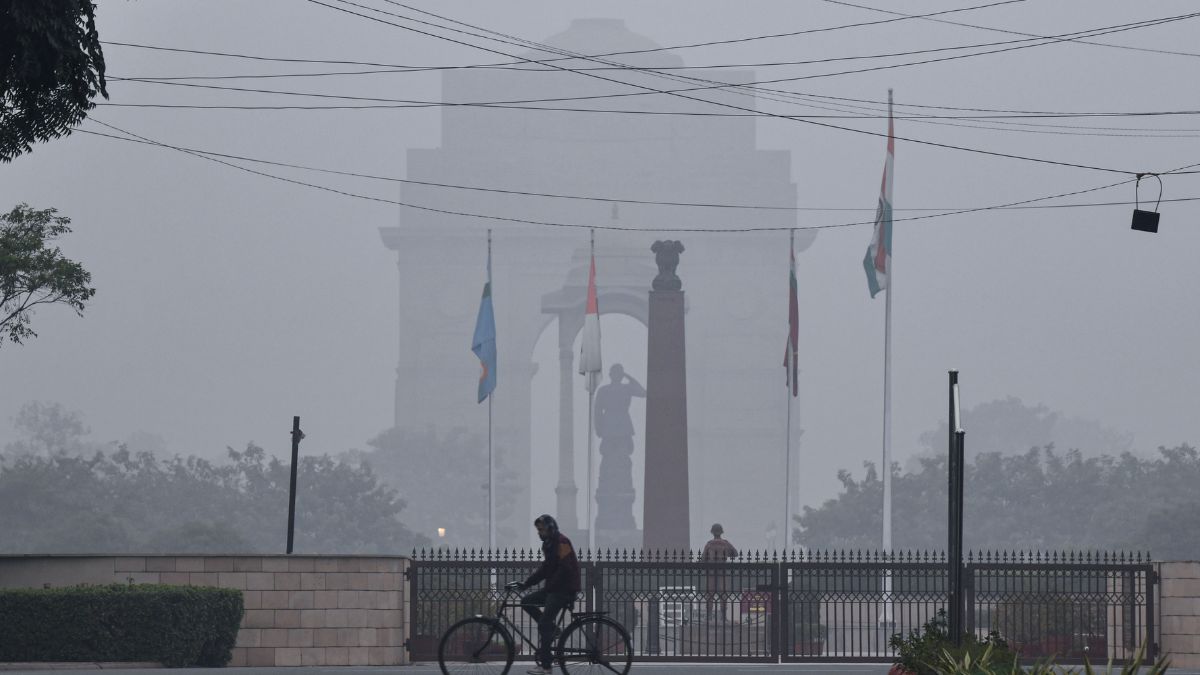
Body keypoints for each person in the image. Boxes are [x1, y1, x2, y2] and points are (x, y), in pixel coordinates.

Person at [508, 514, 581, 675]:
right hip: (553, 589)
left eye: (541, 529)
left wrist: (551, 585)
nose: (539, 533)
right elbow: (545, 569)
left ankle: (546, 666)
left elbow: (566, 567)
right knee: (526, 601)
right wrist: (526, 583)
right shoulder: (549, 545)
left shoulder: (562, 542)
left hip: (564, 590)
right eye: (538, 530)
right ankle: (554, 630)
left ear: (550, 528)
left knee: (543, 624)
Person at [701, 523, 739, 623]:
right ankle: (723, 616)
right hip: (722, 571)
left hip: (711, 571)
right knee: (723, 594)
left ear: (712, 532)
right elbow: (735, 553)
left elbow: (703, 558)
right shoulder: (726, 543)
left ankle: (709, 616)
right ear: (721, 532)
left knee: (710, 594)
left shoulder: (709, 544)